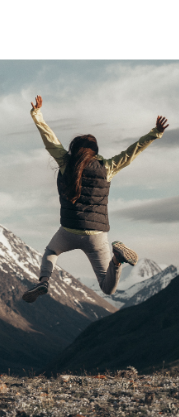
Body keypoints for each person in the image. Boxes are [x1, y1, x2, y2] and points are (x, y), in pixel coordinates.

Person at [22, 95, 168, 303]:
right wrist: (155, 133)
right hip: (96, 235)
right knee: (107, 289)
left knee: (51, 251)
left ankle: (44, 281)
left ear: (74, 149)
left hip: (69, 230)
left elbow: (50, 140)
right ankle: (117, 260)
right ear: (95, 151)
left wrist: (37, 115)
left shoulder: (65, 163)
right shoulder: (107, 167)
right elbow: (131, 152)